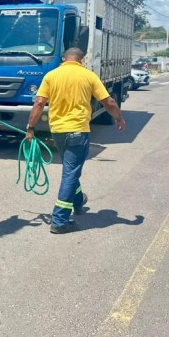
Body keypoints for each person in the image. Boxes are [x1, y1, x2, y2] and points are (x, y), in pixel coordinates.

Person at [25, 47, 126, 234]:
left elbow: (39, 103)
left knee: (70, 169)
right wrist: (118, 118)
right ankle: (60, 220)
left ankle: (78, 202)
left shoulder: (51, 75)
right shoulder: (89, 76)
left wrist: (30, 127)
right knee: (70, 173)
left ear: (64, 58)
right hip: (78, 132)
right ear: (82, 60)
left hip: (57, 132)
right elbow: (108, 102)